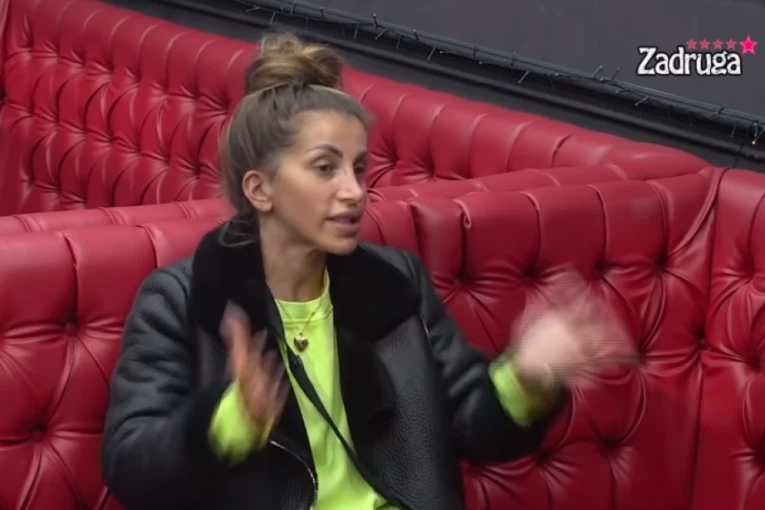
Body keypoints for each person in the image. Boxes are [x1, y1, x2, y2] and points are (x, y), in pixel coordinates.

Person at [100, 32, 634, 510]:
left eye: (358, 169)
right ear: (259, 189)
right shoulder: (179, 299)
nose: (355, 192)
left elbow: (470, 425)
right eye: (325, 168)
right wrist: (229, 422)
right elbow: (132, 469)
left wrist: (527, 377)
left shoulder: (394, 284)